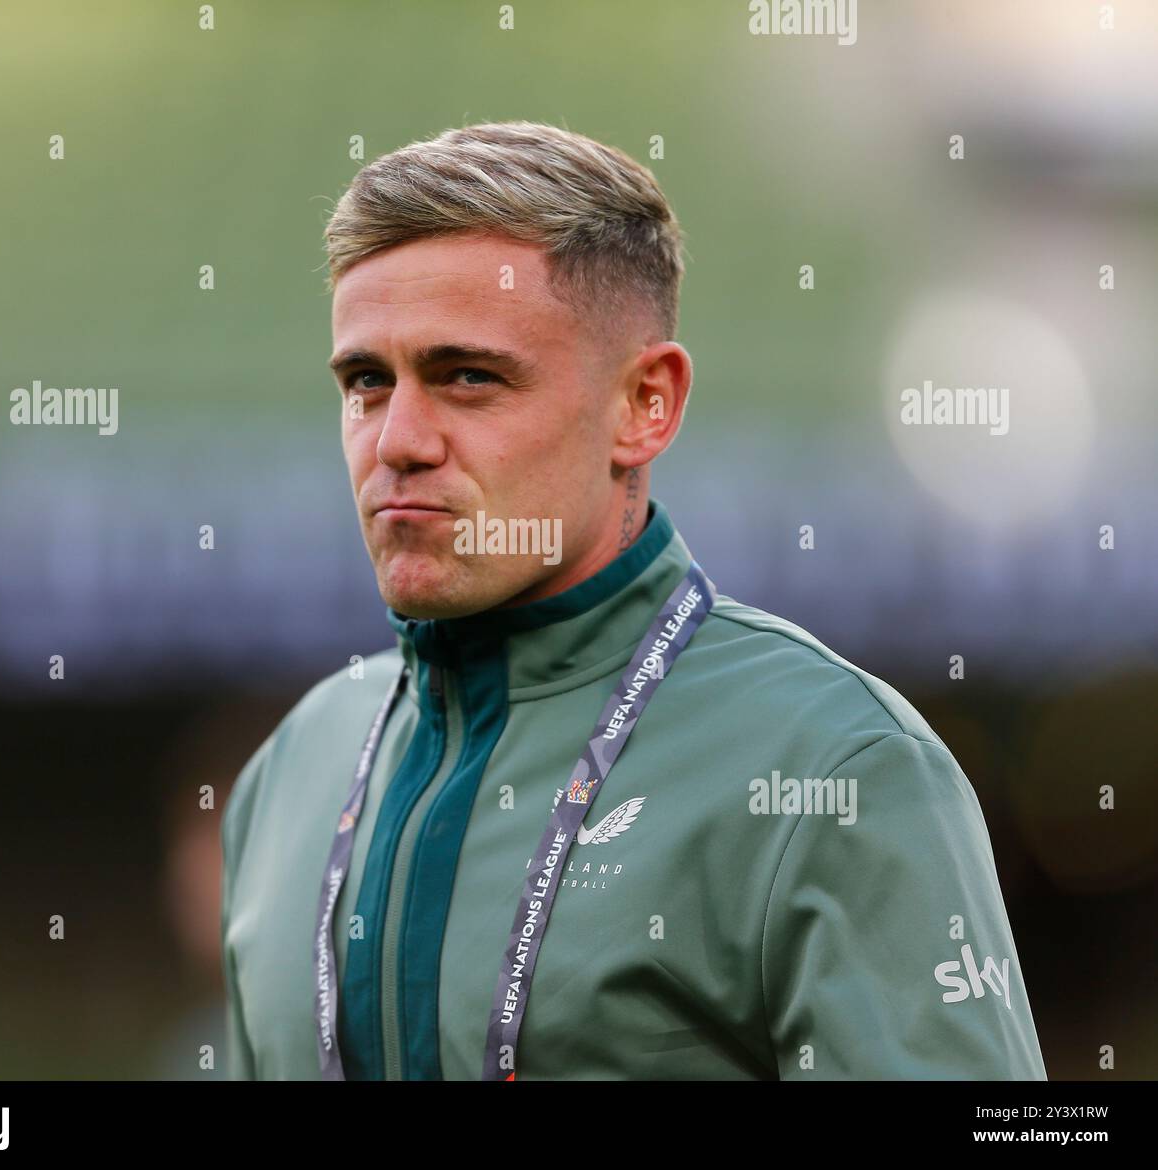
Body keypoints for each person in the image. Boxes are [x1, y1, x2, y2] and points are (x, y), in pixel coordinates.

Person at [220, 121, 1046, 1080]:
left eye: (468, 377)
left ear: (644, 403)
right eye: (367, 382)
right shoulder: (293, 770)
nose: (398, 439)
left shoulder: (837, 765)